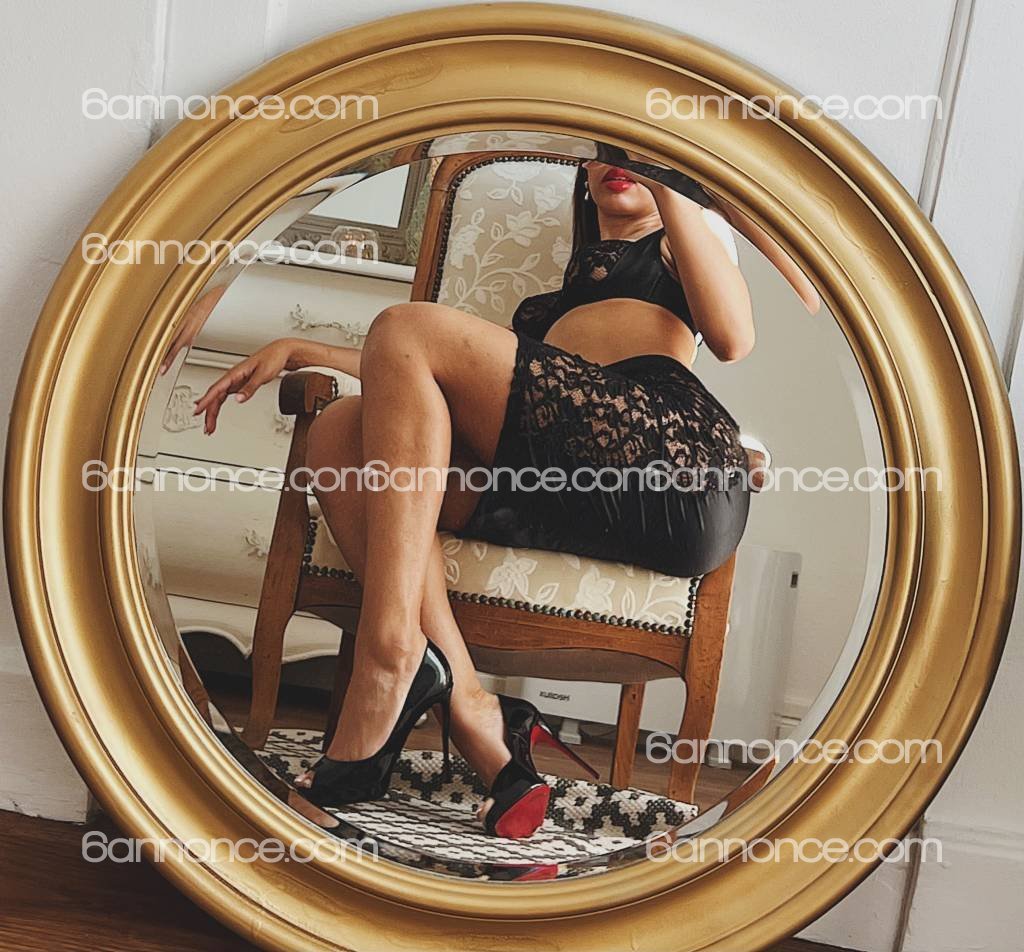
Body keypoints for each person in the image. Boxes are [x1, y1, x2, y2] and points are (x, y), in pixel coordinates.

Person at [194, 161, 796, 838]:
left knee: (405, 326)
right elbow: (405, 374)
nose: (616, 163)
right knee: (339, 434)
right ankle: (475, 711)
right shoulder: (552, 313)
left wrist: (670, 183)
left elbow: (733, 339)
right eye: (603, 152)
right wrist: (300, 348)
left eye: (631, 151)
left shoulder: (678, 240)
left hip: (673, 470)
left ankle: (388, 658)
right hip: (562, 484)